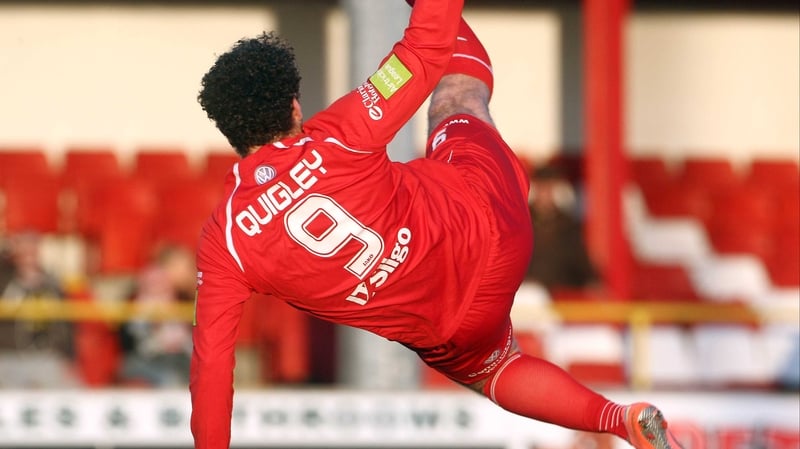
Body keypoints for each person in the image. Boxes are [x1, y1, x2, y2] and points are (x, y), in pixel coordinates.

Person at [191, 1, 681, 448]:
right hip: (492, 225)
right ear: (295, 105)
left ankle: (618, 419)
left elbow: (212, 363)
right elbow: (426, 46)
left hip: (454, 329)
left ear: (228, 130)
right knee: (456, 97)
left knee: (497, 370)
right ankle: (622, 419)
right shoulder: (342, 131)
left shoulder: (225, 241)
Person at [119, 245, 195, 387]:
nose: (190, 272)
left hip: (178, 361)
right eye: (183, 267)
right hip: (149, 362)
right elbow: (134, 340)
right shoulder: (137, 302)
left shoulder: (187, 300)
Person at [526, 165, 600, 294]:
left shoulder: (568, 225)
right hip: (527, 293)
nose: (545, 195)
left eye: (549, 189)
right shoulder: (522, 221)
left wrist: (592, 281)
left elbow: (580, 260)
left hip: (560, 293)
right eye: (542, 189)